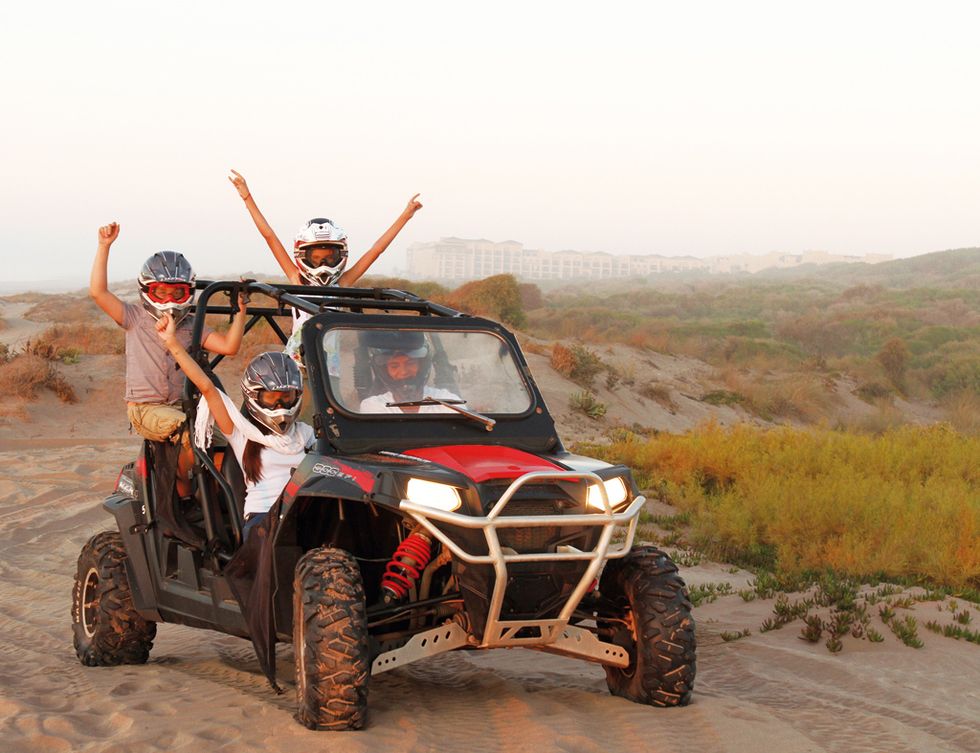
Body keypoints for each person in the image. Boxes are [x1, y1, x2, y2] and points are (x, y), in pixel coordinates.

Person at [89, 222, 248, 497]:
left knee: (232, 441)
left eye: (178, 293)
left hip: (185, 405)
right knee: (190, 437)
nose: (169, 299)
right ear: (146, 290)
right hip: (146, 408)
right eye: (160, 292)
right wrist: (104, 247)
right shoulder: (135, 318)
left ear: (188, 292)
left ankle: (219, 500)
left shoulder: (190, 325)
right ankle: (184, 496)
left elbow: (229, 346)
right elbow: (98, 293)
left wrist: (241, 309)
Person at [227, 169, 423, 365]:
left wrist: (405, 216)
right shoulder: (298, 280)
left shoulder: (342, 283)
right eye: (316, 258)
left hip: (330, 368)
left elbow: (376, 250)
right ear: (302, 255)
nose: (323, 265)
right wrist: (247, 197)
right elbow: (270, 236)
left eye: (329, 258)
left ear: (341, 255)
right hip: (297, 363)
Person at [155, 313, 315, 539]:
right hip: (263, 519)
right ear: (254, 396)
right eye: (271, 398)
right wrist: (172, 342)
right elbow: (207, 388)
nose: (280, 404)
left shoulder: (307, 434)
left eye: (286, 396)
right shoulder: (243, 435)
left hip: (305, 514)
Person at [358, 330, 461, 413]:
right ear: (385, 371)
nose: (403, 372)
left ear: (421, 366)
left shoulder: (448, 401)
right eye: (394, 366)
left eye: (410, 363)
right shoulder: (373, 407)